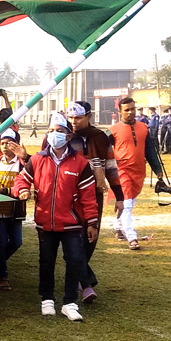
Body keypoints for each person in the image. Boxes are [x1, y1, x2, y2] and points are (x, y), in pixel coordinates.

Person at [14, 113, 98, 322]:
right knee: (46, 261)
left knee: (76, 260)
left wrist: (92, 222)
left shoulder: (80, 164)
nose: (54, 135)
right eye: (51, 131)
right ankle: (47, 299)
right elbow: (21, 180)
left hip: (71, 224)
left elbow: (88, 196)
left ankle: (69, 302)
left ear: (69, 137)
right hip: (45, 223)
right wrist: (22, 191)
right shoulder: (37, 160)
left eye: (59, 131)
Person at [65, 101, 121, 298]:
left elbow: (111, 167)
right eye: (70, 117)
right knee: (72, 239)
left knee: (90, 238)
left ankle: (83, 276)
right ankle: (85, 282)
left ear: (88, 116)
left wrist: (119, 196)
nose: (73, 121)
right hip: (67, 196)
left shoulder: (100, 137)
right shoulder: (62, 136)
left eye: (78, 117)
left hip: (93, 195)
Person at [110, 97, 163, 251]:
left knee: (129, 203)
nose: (131, 112)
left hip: (139, 172)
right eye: (126, 110)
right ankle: (131, 237)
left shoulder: (144, 128)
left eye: (133, 108)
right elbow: (104, 152)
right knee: (127, 204)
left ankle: (117, 226)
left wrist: (157, 170)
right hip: (121, 171)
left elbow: (150, 151)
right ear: (120, 112)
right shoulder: (112, 131)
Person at [0, 129, 28, 291]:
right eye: (2, 143)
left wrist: (25, 156)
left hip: (16, 209)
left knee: (17, 242)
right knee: (1, 242)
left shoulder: (22, 164)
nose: (4, 146)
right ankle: (3, 276)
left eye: (8, 143)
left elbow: (33, 174)